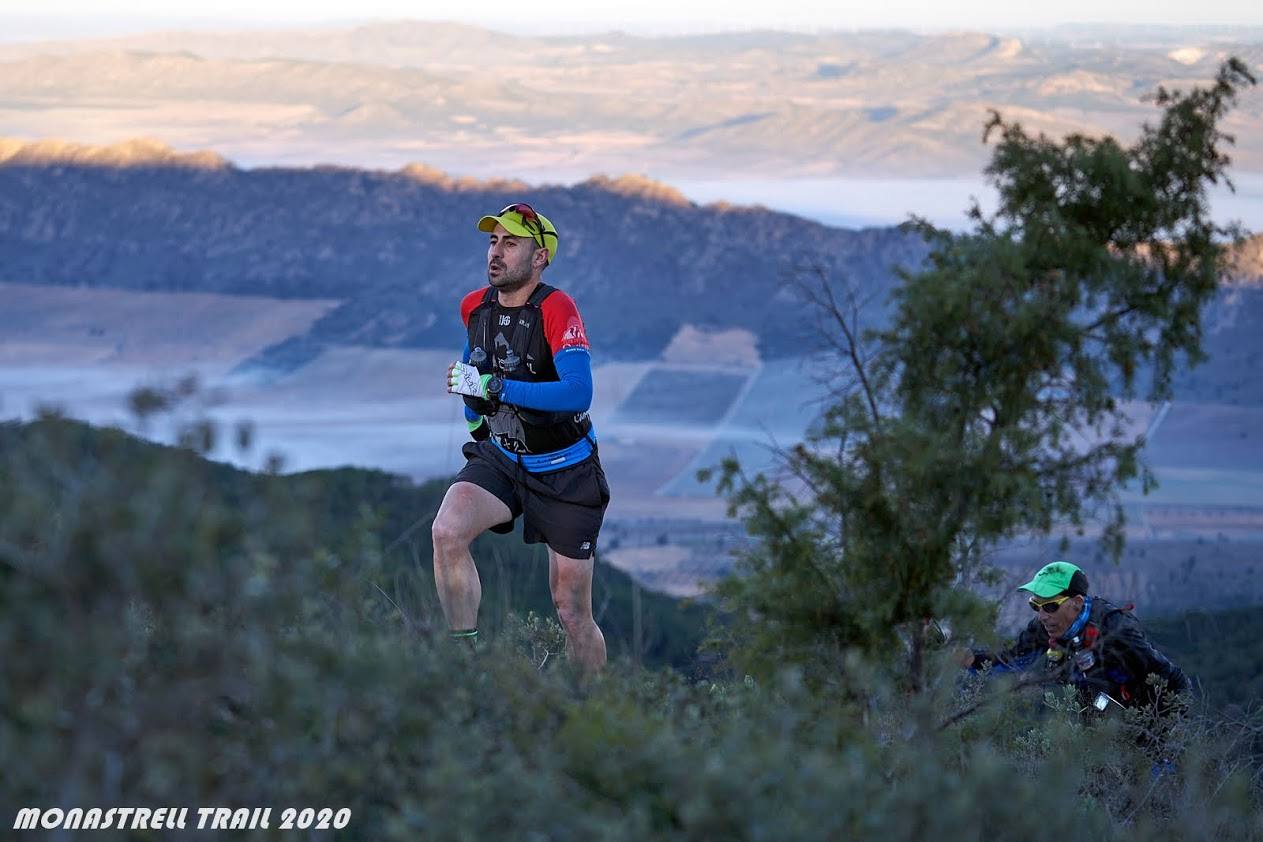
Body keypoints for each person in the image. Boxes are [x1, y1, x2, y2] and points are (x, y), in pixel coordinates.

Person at [434, 202, 609, 674]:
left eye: (511, 243)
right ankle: (463, 663)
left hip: (566, 469)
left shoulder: (556, 307)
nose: (496, 252)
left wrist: (499, 387)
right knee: (447, 531)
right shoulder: (475, 306)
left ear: (539, 258)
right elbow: (473, 377)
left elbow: (579, 393)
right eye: (493, 241)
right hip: (504, 457)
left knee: (571, 611)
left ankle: (590, 709)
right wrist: (476, 410)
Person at [964, 561, 1191, 715]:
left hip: (1143, 722)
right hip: (1096, 725)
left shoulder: (1116, 629)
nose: (1042, 616)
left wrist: (1166, 737)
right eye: (1035, 605)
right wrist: (968, 659)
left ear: (1077, 603)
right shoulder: (1045, 628)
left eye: (1050, 606)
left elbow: (1174, 679)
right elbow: (1011, 660)